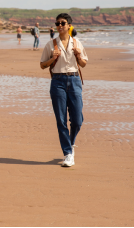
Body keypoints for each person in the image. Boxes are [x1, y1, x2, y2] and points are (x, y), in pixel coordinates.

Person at [39, 13, 88, 167]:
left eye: (63, 23)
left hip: (74, 80)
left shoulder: (77, 43)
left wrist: (79, 57)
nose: (59, 26)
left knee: (78, 120)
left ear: (69, 25)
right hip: (58, 81)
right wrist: (53, 58)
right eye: (57, 23)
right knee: (61, 120)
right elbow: (42, 65)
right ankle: (68, 153)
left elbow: (84, 64)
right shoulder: (51, 44)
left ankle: (71, 143)